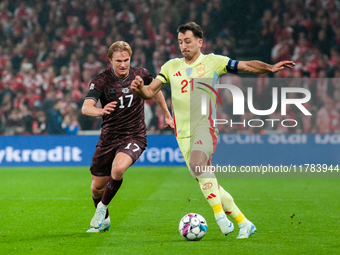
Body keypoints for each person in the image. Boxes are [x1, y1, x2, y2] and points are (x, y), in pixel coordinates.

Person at [131, 22, 295, 239]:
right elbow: (150, 93)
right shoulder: (171, 67)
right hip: (183, 134)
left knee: (199, 166)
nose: (184, 46)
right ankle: (244, 223)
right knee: (207, 180)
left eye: (188, 41)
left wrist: (270, 68)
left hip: (205, 127)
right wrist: (139, 88)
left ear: (200, 42)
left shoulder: (213, 62)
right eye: (180, 42)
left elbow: (246, 66)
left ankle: (220, 217)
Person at [82, 41, 173, 233]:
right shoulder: (102, 80)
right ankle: (104, 219)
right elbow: (85, 107)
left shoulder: (141, 74)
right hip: (108, 137)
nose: (123, 65)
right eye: (118, 61)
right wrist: (100, 111)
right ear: (110, 60)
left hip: (134, 135)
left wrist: (166, 113)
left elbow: (154, 92)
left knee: (119, 167)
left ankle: (101, 208)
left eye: (126, 60)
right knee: (96, 188)